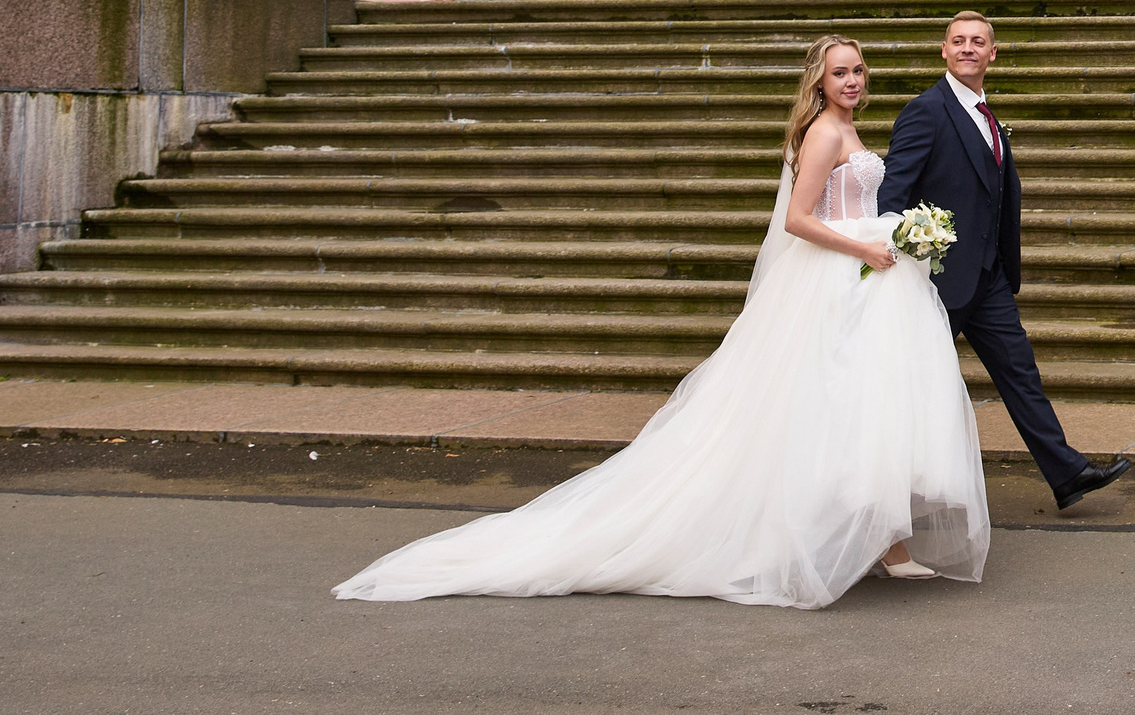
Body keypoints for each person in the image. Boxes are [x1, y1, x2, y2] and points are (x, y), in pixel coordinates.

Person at [332, 35, 988, 609]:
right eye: (841, 72)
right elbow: (799, 220)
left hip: (867, 275)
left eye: (859, 71)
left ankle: (885, 544)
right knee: (828, 410)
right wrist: (866, 247)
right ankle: (825, 539)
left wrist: (900, 235)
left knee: (863, 412)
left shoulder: (848, 130)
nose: (853, 81)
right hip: (838, 274)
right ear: (818, 79)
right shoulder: (822, 132)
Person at [878, 9, 1129, 510]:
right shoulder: (926, 110)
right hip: (938, 280)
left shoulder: (987, 114)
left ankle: (1067, 473)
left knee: (1020, 371)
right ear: (944, 51)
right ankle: (869, 484)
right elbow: (891, 195)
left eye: (978, 41)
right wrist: (913, 249)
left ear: (993, 53)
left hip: (988, 277)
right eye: (958, 41)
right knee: (903, 384)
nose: (968, 48)